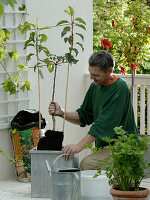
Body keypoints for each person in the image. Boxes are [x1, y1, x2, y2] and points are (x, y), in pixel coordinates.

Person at [48, 50, 138, 170]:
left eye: (96, 75)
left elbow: (103, 125)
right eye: (90, 73)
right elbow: (83, 116)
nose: (91, 78)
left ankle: (120, 186)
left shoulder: (119, 88)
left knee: (88, 164)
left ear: (110, 71)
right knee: (88, 165)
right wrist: (61, 113)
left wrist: (79, 146)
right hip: (107, 148)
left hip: (124, 147)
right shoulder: (95, 87)